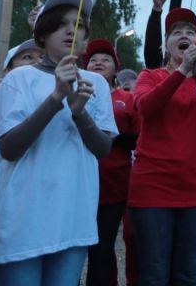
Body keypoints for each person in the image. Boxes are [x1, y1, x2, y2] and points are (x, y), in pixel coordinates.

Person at [0, 0, 116, 285]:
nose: (70, 31)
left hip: (73, 220)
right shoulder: (18, 79)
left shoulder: (96, 84)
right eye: (62, 24)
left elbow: (102, 150)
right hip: (23, 222)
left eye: (78, 26)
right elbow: (9, 148)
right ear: (43, 33)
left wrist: (79, 113)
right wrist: (56, 98)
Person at [129, 7, 196, 285]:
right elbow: (146, 108)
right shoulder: (149, 76)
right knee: (155, 273)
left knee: (189, 274)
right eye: (176, 32)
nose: (184, 35)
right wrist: (182, 70)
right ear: (166, 44)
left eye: (190, 32)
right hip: (153, 188)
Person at [83, 39, 141, 286]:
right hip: (79, 185)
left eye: (105, 59)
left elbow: (140, 138)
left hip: (115, 186)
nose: (98, 62)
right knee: (74, 250)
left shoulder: (126, 100)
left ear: (116, 70)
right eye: (93, 59)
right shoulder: (71, 94)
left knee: (103, 248)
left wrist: (108, 136)